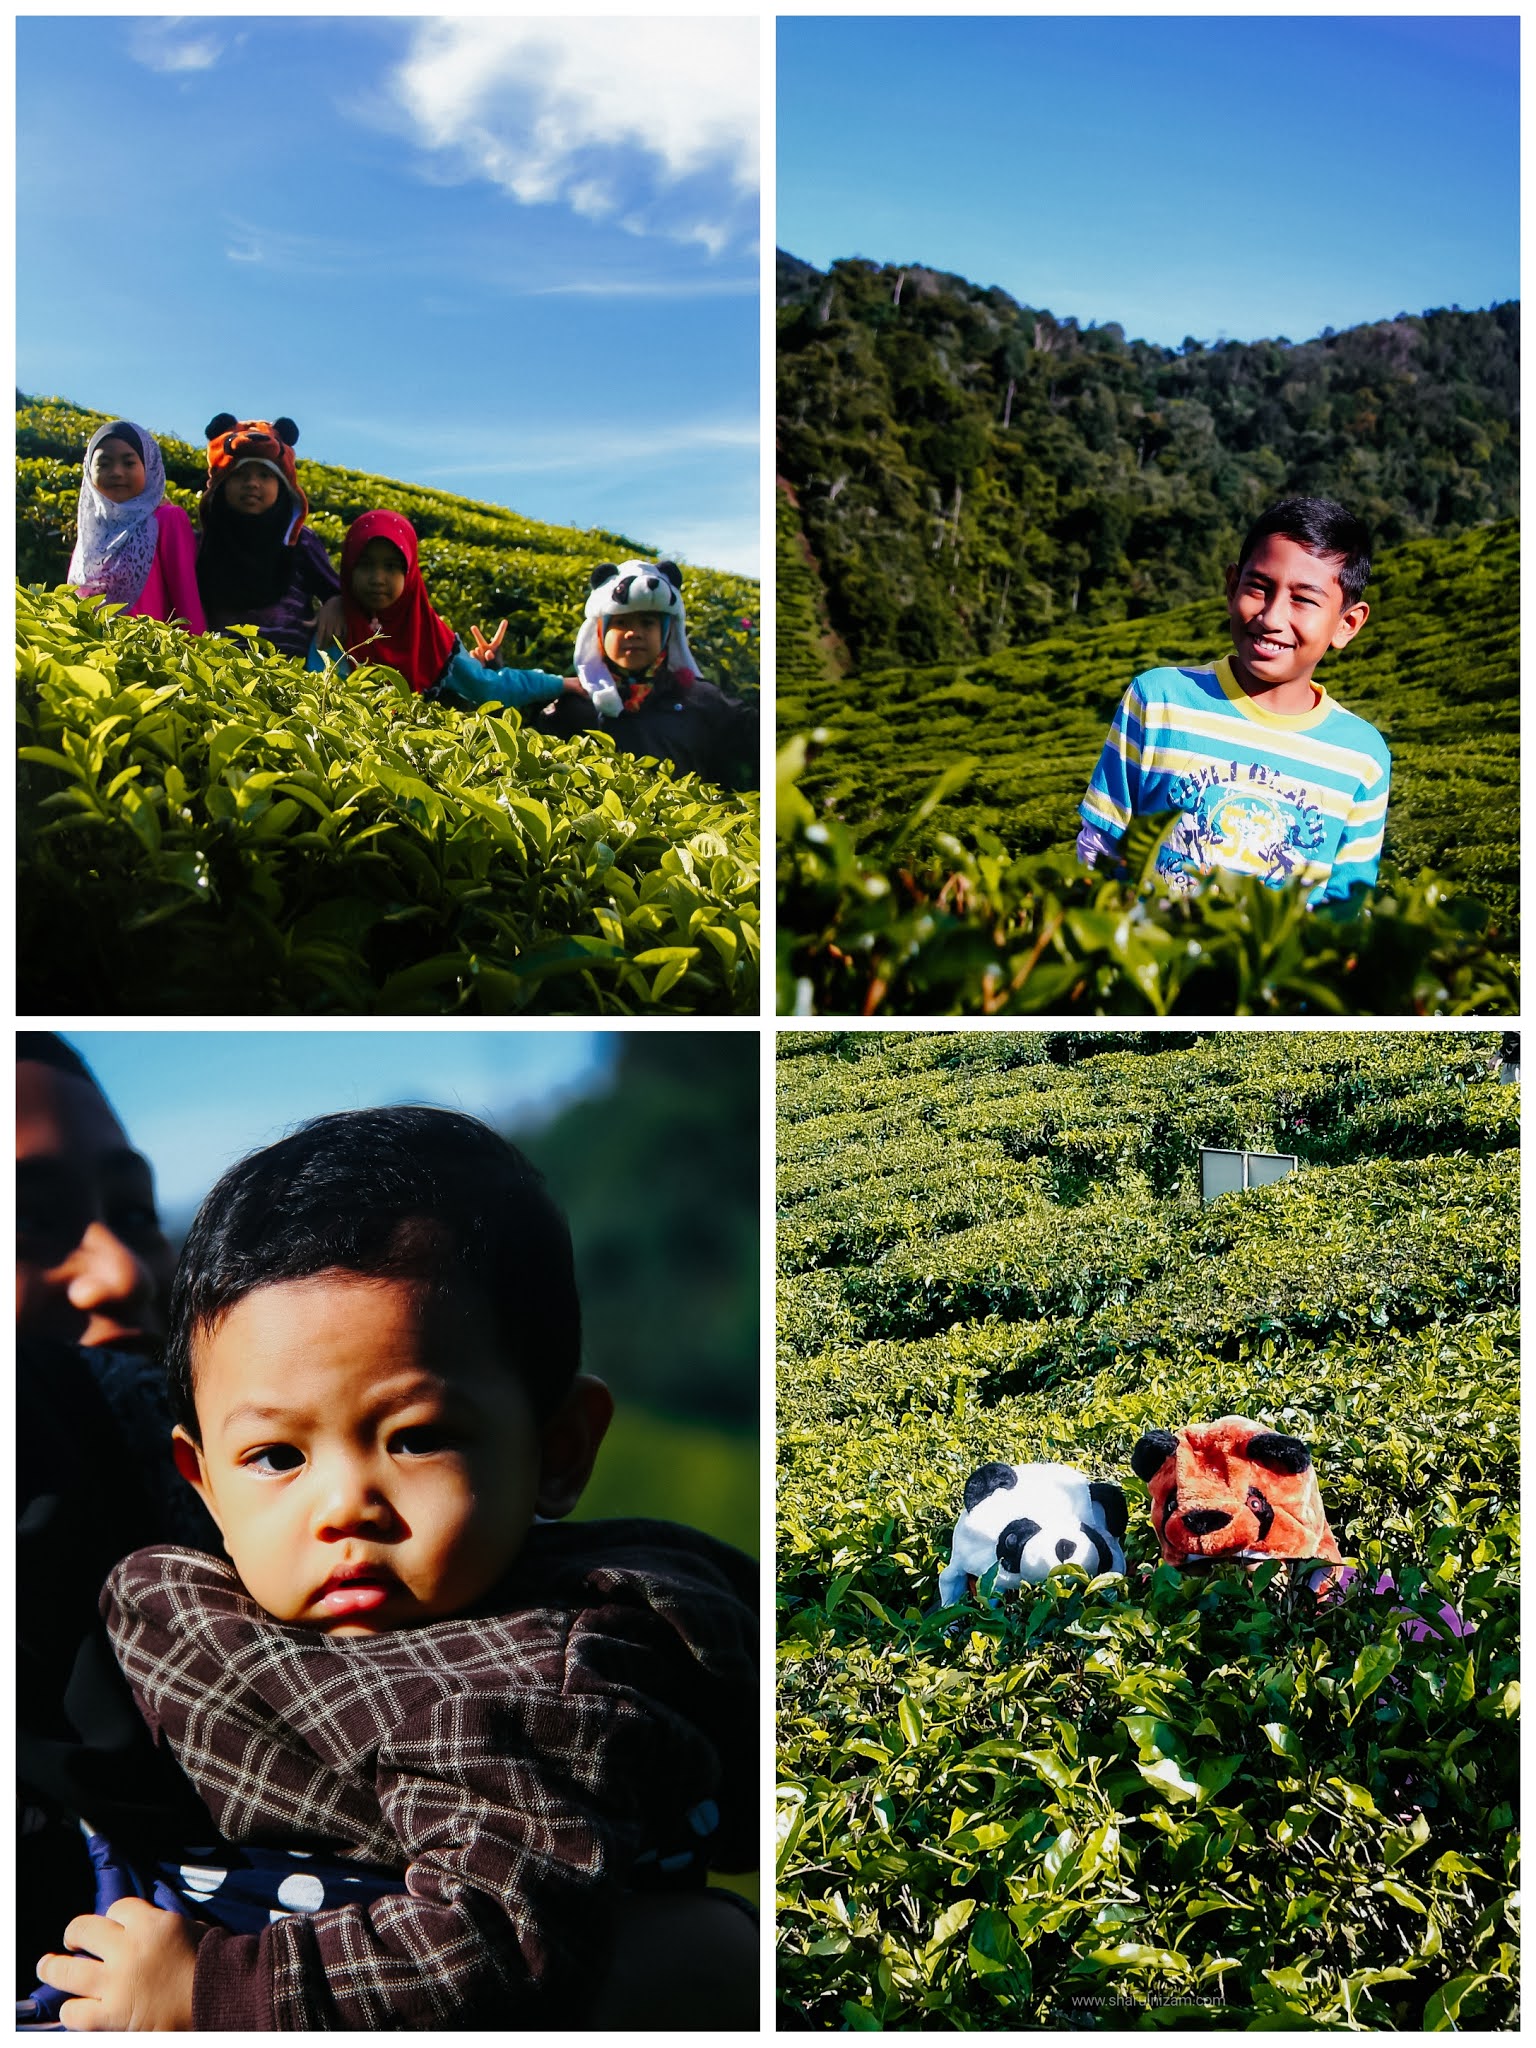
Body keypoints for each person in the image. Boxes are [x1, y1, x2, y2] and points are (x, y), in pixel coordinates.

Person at [34, 1107, 758, 2031]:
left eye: (414, 1439)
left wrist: (219, 1994)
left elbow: (499, 1938)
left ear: (561, 1448)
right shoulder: (188, 1593)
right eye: (277, 1458)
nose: (345, 1507)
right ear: (203, 1482)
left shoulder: (542, 1684)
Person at [1077, 496, 1390, 905]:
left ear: (1347, 624)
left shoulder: (1361, 755)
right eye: (1259, 588)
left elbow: (1345, 908)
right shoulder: (1159, 702)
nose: (1272, 617)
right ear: (1231, 587)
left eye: (1304, 599)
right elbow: (1099, 849)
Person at [307, 509, 587, 712]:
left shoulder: (433, 638)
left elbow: (489, 686)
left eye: (392, 567)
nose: (378, 578)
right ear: (349, 567)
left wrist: (558, 683)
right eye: (366, 565)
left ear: (410, 573)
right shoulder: (335, 627)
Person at [541, 558, 759, 789]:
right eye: (621, 622)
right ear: (600, 633)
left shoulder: (700, 698)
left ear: (666, 633)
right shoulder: (575, 704)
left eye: (647, 623)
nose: (633, 633)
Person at [194, 414, 339, 659]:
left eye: (265, 475)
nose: (252, 484)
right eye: (240, 475)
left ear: (283, 486)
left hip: (287, 676)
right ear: (221, 485)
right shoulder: (202, 542)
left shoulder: (299, 541)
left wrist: (335, 604)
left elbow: (334, 590)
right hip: (217, 674)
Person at [68, 420, 205, 631]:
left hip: (149, 658)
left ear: (148, 466)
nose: (116, 472)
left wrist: (199, 656)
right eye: (104, 464)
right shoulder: (92, 531)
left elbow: (187, 598)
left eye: (129, 463)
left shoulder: (167, 518)